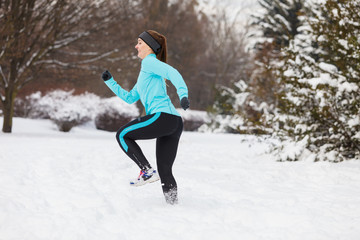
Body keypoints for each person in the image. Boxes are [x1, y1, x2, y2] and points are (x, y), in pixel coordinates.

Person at [101, 30, 189, 205]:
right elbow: (130, 97)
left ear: (150, 47)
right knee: (165, 170)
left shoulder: (149, 62)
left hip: (162, 117)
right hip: (174, 122)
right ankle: (173, 206)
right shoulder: (146, 72)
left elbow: (174, 73)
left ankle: (146, 170)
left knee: (122, 135)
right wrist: (110, 82)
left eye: (140, 42)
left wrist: (183, 94)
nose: (136, 46)